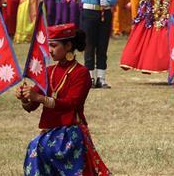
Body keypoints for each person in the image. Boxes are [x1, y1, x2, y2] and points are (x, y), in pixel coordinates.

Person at [16, 23, 109, 175]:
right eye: (49, 46)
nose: (50, 50)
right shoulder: (48, 71)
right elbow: (31, 107)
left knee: (40, 147)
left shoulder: (81, 73)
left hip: (71, 131)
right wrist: (25, 97)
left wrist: (39, 97)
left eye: (53, 46)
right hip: (50, 131)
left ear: (68, 46)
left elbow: (72, 103)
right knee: (35, 147)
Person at [76, 0, 119, 89]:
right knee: (89, 45)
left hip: (104, 11)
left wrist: (110, 1)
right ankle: (89, 78)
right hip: (90, 11)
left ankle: (101, 78)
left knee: (102, 46)